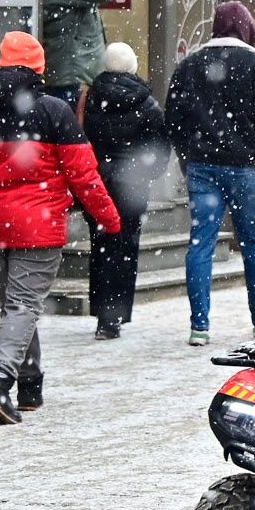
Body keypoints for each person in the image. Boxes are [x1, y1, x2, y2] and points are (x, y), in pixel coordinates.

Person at [0, 32, 121, 423]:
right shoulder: (53, 111)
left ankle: (30, 386)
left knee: (16, 307)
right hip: (38, 226)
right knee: (23, 306)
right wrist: (108, 218)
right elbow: (84, 175)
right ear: (38, 67)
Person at [165, 0, 255, 347]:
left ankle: (199, 325)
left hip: (202, 167)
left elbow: (173, 117)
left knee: (200, 242)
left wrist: (187, 156)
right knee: (254, 241)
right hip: (246, 167)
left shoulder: (189, 65)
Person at [82, 42, 171, 340]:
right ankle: (115, 315)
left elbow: (82, 138)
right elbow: (160, 147)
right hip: (131, 185)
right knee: (125, 247)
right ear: (132, 65)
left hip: (98, 182)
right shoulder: (145, 102)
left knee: (101, 244)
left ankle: (102, 314)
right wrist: (147, 173)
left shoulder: (91, 97)